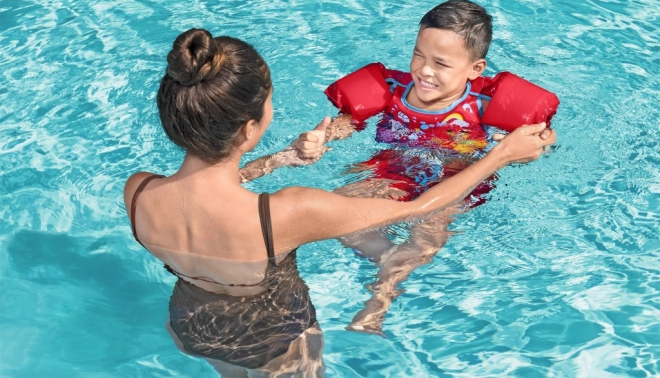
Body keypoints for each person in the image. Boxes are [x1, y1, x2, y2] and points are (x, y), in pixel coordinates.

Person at [124, 28, 555, 369]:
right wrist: (501, 154)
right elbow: (419, 207)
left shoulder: (139, 190)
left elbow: (206, 188)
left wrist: (277, 161)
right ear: (249, 129)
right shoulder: (290, 211)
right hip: (276, 343)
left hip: (193, 327)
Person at [288, 0, 556, 335]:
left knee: (428, 234)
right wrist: (320, 137)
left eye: (441, 63)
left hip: (458, 177)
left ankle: (379, 300)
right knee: (340, 215)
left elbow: (537, 143)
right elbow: (345, 123)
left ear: (475, 69)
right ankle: (391, 259)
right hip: (393, 168)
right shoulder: (393, 91)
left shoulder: (485, 109)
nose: (425, 71)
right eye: (419, 55)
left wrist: (537, 148)